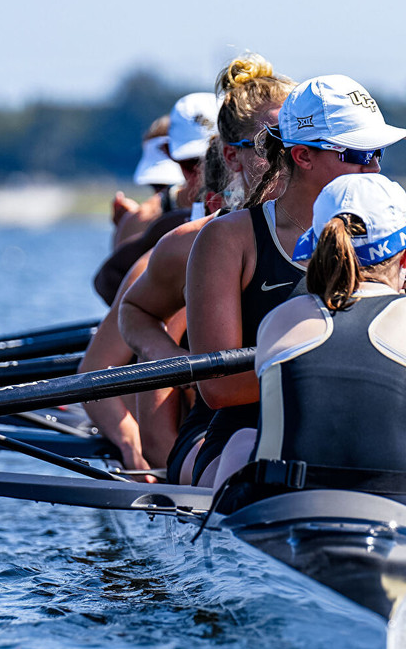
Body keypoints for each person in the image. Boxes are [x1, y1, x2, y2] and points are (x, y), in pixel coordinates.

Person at [181, 74, 406, 490]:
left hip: (374, 433)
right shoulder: (229, 240)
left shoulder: (401, 236)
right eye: (358, 154)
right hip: (252, 436)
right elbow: (220, 389)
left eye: (378, 153)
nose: (373, 169)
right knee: (242, 448)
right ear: (302, 155)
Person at [214, 173, 406, 521]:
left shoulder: (280, 321)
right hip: (394, 510)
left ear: (314, 257)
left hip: (281, 507)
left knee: (240, 442)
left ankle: (223, 536)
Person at [76, 58, 285, 471]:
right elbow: (102, 365)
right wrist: (140, 452)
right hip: (217, 436)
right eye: (183, 167)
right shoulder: (188, 245)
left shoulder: (339, 233)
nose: (184, 184)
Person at [95, 93, 216, 304]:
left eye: (210, 161)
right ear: (170, 154)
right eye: (157, 187)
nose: (201, 173)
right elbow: (116, 298)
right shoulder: (141, 220)